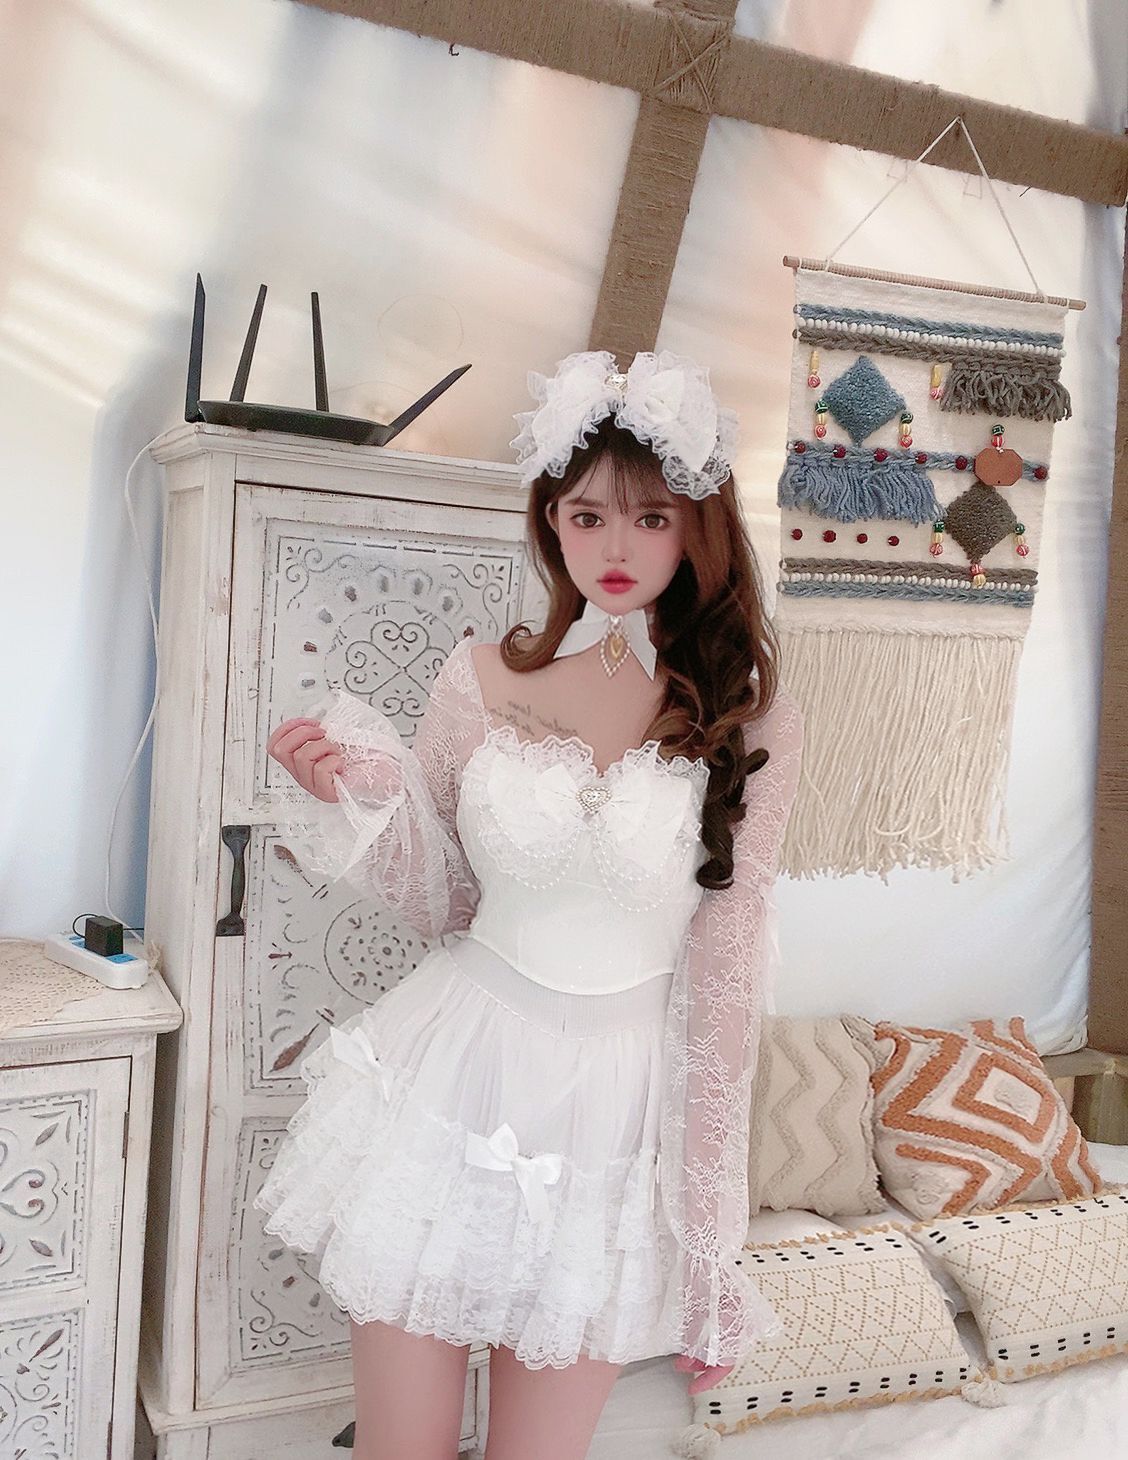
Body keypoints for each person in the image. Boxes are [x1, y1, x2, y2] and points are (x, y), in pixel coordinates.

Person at [254, 349, 805, 1460]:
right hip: (453, 1076)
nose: (616, 548)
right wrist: (362, 794)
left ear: (697, 529)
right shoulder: (479, 679)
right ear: (551, 520)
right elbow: (445, 899)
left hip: (614, 1119)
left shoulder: (746, 714)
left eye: (651, 518)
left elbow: (727, 974)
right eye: (587, 514)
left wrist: (711, 1248)